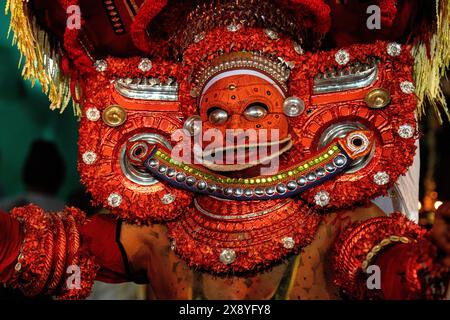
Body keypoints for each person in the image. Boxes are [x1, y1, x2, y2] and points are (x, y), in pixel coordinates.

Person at [0, 0, 449, 300]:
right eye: (215, 115)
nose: (233, 128)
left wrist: (430, 264)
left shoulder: (338, 223)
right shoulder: (161, 231)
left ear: (294, 113)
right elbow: (56, 251)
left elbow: (394, 274)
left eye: (256, 110)